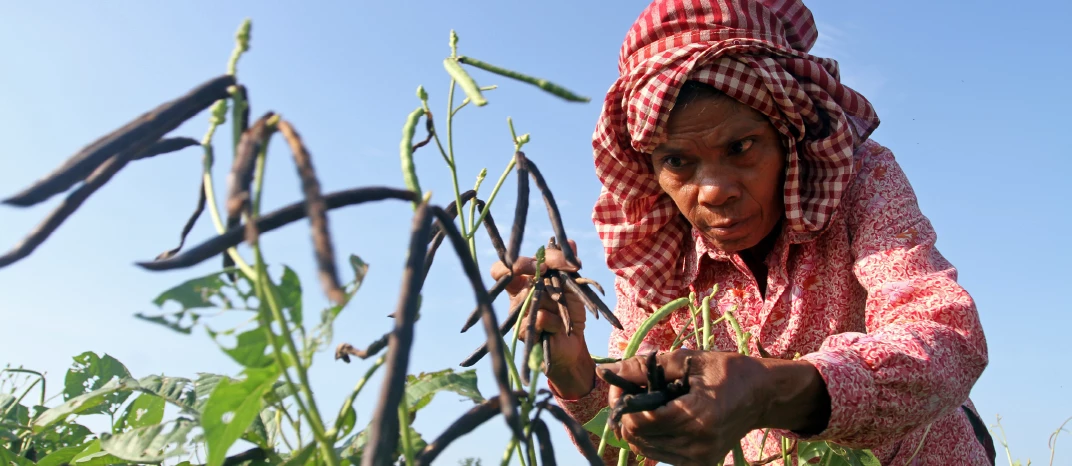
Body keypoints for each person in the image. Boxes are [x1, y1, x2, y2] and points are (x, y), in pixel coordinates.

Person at [490, 0, 996, 464]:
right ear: (653, 169)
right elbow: (634, 445)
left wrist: (769, 390)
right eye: (678, 162)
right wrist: (571, 368)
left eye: (740, 148)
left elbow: (945, 335)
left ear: (787, 132)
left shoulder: (861, 183)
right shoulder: (657, 252)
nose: (711, 191)